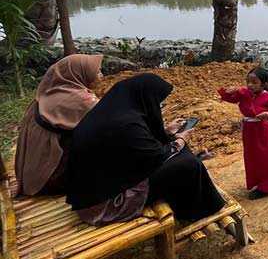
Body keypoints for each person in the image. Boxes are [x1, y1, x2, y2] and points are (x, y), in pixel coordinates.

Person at [66, 73, 225, 225]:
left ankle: (193, 202)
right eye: (156, 101)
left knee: (174, 150)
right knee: (187, 164)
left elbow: (133, 147)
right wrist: (181, 139)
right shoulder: (127, 124)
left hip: (94, 194)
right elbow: (157, 156)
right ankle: (201, 209)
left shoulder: (111, 113)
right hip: (107, 205)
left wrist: (167, 132)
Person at [14, 54, 104, 197]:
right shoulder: (81, 101)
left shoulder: (46, 95)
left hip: (31, 174)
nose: (102, 76)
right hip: (52, 178)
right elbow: (108, 121)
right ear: (79, 74)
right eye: (97, 72)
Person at [219, 67, 268, 200]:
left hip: (262, 130)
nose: (250, 85)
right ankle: (258, 182)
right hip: (249, 131)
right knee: (252, 157)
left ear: (264, 84)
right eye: (248, 81)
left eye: (254, 82)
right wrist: (228, 92)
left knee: (267, 157)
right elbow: (231, 98)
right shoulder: (244, 93)